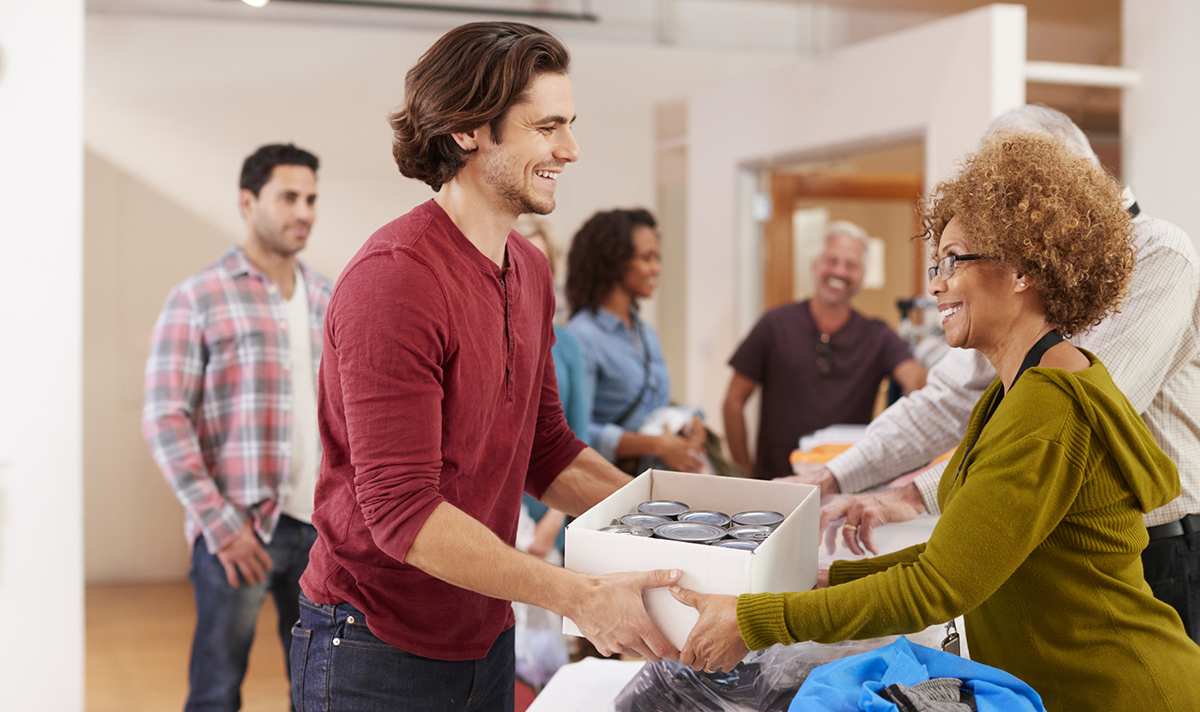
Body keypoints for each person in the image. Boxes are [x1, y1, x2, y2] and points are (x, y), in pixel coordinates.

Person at [670, 132, 1200, 712]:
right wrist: (821, 581)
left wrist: (756, 621)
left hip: (1125, 690)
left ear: (1022, 268)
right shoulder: (1016, 390)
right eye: (935, 262)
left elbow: (937, 588)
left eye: (954, 260)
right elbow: (948, 556)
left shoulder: (1048, 404)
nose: (935, 283)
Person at [291, 23, 680, 712]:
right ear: (470, 130)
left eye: (570, 125)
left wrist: (670, 524)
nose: (570, 149)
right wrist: (581, 598)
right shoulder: (395, 280)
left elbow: (547, 450)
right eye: (547, 126)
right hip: (375, 647)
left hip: (484, 631)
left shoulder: (527, 268)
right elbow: (402, 513)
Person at [796, 105, 1200, 644]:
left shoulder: (1157, 252)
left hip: (1162, 542)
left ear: (1068, 174)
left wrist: (916, 495)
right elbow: (946, 400)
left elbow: (1075, 418)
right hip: (1060, 537)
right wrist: (833, 478)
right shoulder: (1018, 284)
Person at [142, 143, 331, 712]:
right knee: (216, 691)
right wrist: (221, 526)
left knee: (317, 688)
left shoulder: (328, 296)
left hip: (320, 530)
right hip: (239, 531)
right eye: (289, 197)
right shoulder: (198, 296)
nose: (304, 212)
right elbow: (165, 417)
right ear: (248, 202)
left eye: (312, 199)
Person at [723, 221, 926, 479]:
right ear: (815, 265)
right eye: (832, 260)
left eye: (851, 265)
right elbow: (732, 401)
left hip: (847, 487)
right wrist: (743, 473)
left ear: (862, 276)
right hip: (776, 485)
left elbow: (916, 380)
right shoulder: (774, 324)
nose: (840, 271)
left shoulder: (878, 335)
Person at [565, 208, 708, 474]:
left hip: (659, 479)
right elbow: (574, 432)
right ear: (614, 261)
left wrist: (691, 423)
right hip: (615, 483)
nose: (657, 268)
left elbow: (655, 409)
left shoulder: (646, 332)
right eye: (647, 257)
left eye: (658, 257)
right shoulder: (581, 337)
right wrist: (654, 445)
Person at [516, 214, 588, 559]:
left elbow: (574, 441)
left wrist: (552, 524)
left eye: (539, 263)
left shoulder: (569, 346)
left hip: (549, 518)